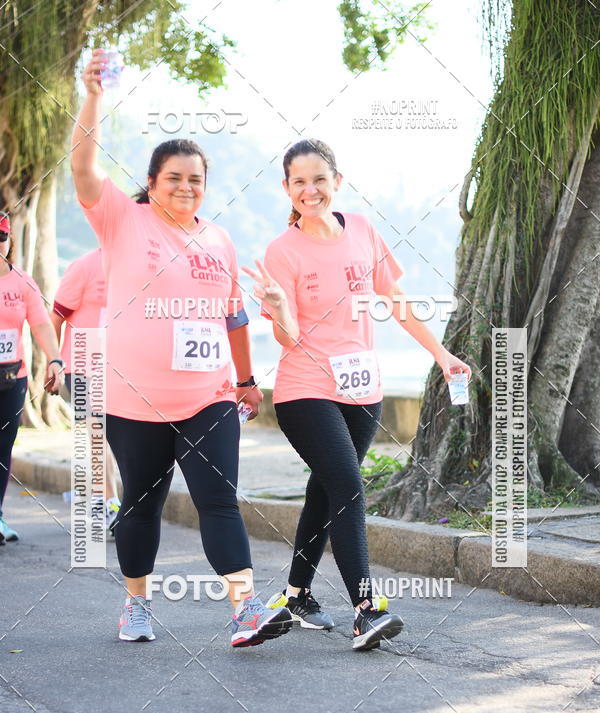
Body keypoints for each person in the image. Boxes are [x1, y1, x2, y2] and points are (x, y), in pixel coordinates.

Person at [70, 48, 292, 646]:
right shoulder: (122, 221)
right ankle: (137, 604)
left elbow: (230, 315)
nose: (187, 187)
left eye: (196, 179)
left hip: (207, 397)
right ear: (151, 183)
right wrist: (93, 94)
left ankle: (244, 610)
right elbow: (84, 168)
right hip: (133, 400)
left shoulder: (219, 239)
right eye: (175, 178)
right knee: (142, 507)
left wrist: (246, 380)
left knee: (219, 501)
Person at [244, 139, 471, 651]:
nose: (310, 189)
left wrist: (442, 354)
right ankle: (365, 610)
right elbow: (288, 337)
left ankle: (297, 595)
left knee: (325, 491)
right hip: (305, 390)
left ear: (337, 182)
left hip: (362, 390)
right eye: (299, 181)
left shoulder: (363, 231)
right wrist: (279, 307)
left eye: (319, 179)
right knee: (347, 484)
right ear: (287, 189)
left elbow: (396, 301)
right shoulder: (282, 251)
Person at [0, 212, 65, 544]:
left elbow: (40, 324)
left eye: (1, 238)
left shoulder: (22, 282)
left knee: (3, 445)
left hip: (12, 378)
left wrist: (54, 359)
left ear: (10, 242)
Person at [50, 247, 121, 532]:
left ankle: (101, 500)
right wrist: (52, 364)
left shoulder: (138, 264)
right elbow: (54, 318)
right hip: (81, 366)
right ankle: (109, 502)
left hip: (122, 368)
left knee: (113, 438)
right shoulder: (83, 266)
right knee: (96, 435)